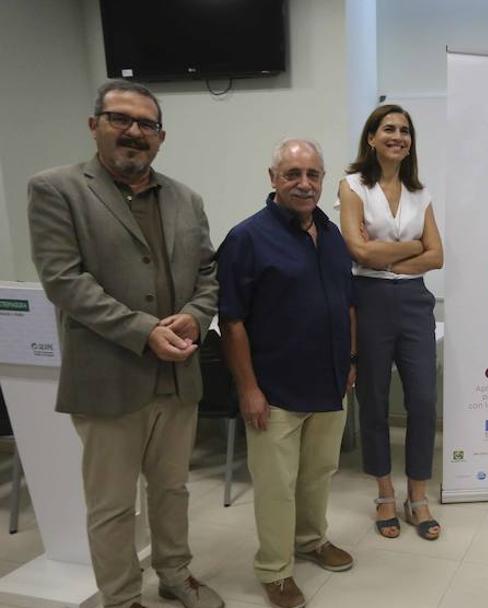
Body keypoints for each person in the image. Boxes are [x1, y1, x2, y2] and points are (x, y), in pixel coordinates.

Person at [27, 80, 222, 608]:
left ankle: (175, 573)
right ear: (95, 125)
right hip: (108, 377)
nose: (135, 131)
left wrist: (194, 317)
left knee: (172, 490)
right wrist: (144, 331)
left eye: (147, 124)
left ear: (161, 137)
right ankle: (121, 597)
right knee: (112, 505)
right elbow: (64, 281)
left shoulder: (186, 199)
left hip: (177, 377)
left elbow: (208, 273)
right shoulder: (56, 189)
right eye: (121, 119)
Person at [217, 139, 356, 608]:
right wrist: (248, 389)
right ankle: (274, 570)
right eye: (293, 174)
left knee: (318, 473)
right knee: (277, 487)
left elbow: (346, 302)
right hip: (274, 390)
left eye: (313, 174)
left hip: (328, 383)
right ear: (273, 178)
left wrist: (350, 361)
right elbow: (232, 321)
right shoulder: (247, 238)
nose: (304, 184)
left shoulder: (331, 234)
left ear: (323, 180)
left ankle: (311, 540)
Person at [338, 104, 444, 541]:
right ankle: (384, 492)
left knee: (423, 400)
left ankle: (417, 496)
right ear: (371, 137)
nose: (398, 136)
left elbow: (437, 256)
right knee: (374, 399)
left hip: (416, 302)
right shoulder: (352, 186)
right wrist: (413, 247)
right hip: (370, 300)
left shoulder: (420, 193)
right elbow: (358, 251)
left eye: (405, 130)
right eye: (388, 129)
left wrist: (388, 257)